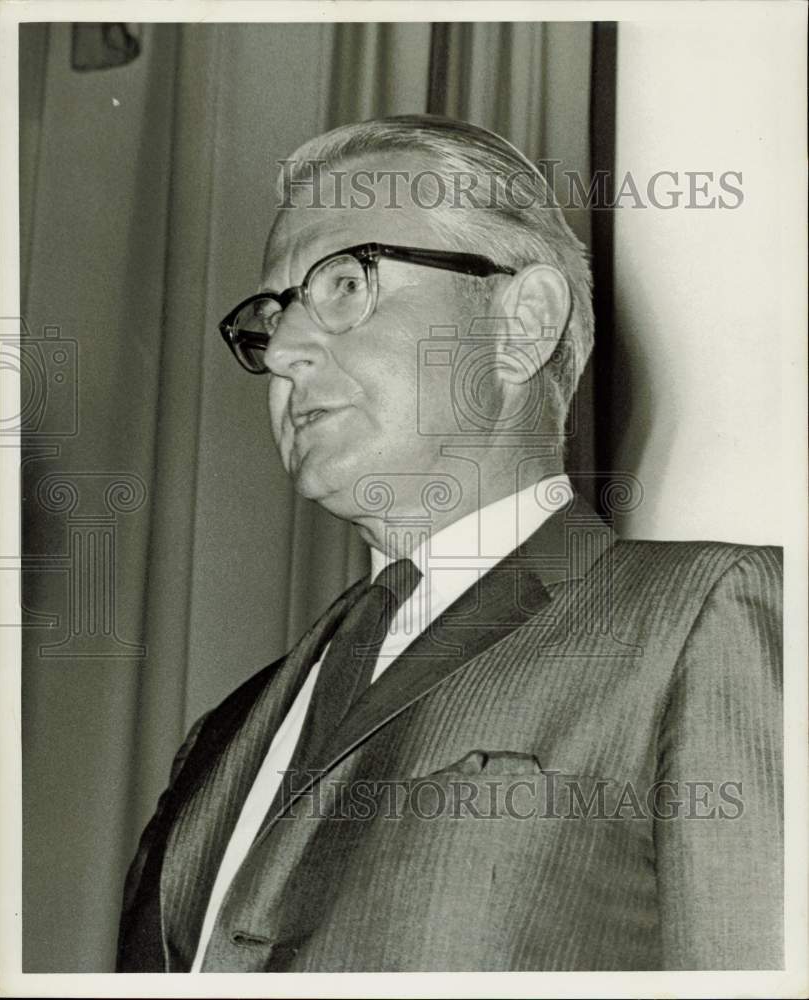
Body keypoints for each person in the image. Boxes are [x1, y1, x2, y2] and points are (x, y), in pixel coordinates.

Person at [116, 115, 783, 972]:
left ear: (521, 324)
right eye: (271, 314)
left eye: (343, 285)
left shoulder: (706, 616)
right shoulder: (223, 732)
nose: (281, 349)